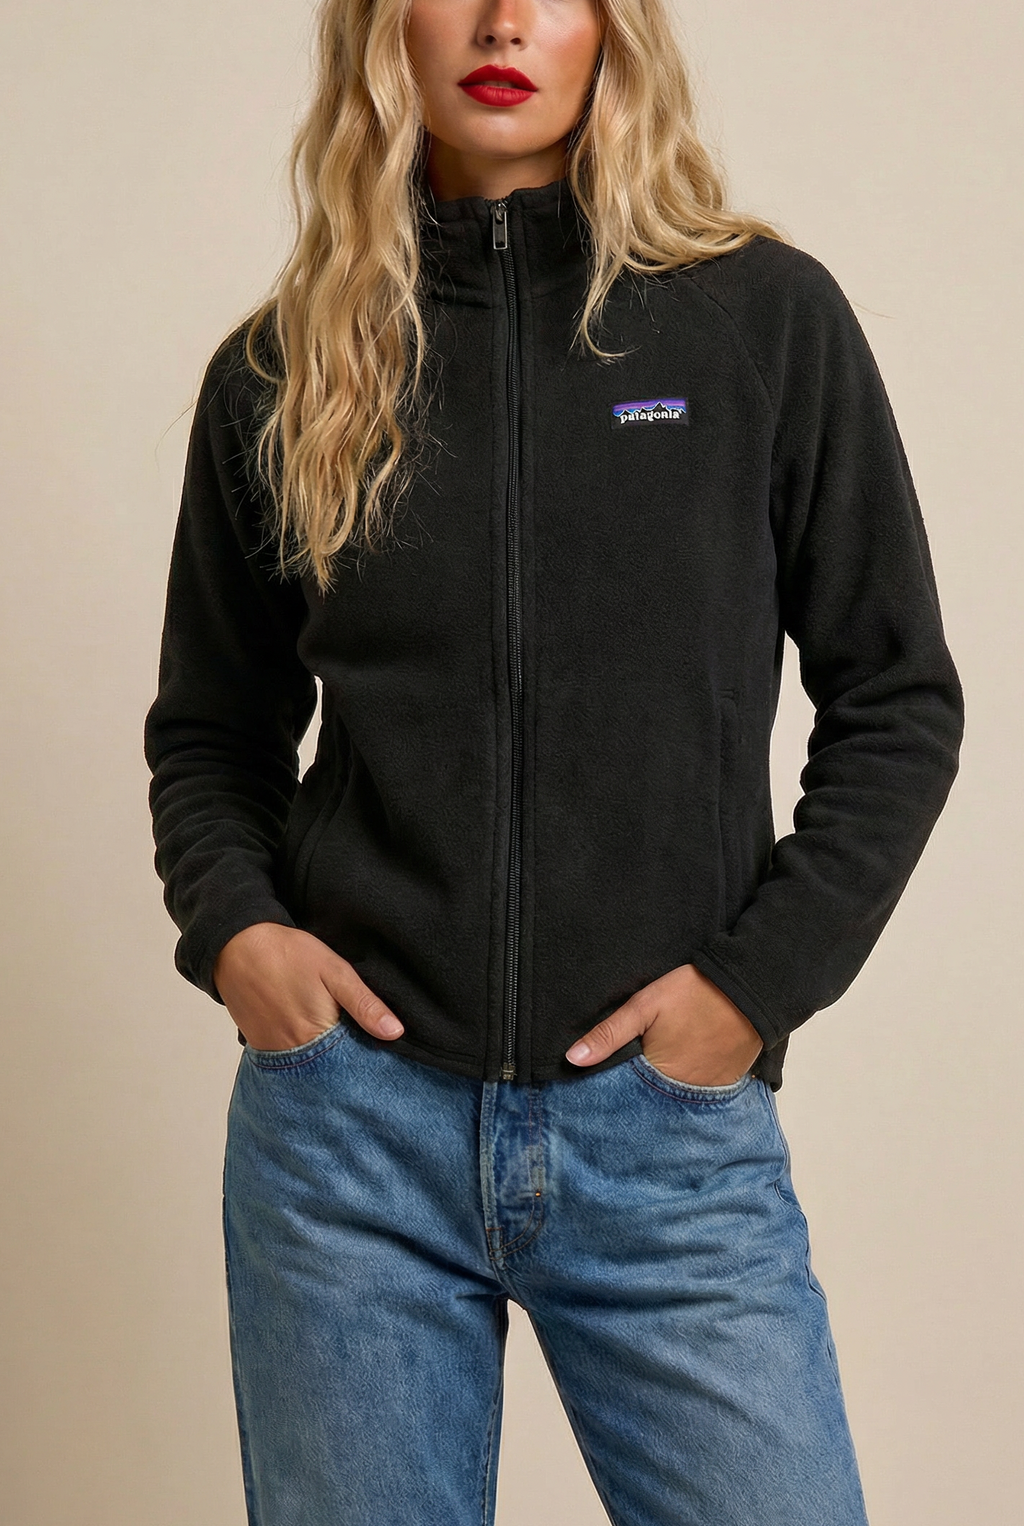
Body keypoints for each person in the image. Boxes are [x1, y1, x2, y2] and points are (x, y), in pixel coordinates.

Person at [143, 1, 964, 1522]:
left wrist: (752, 990)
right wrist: (242, 936)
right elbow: (211, 731)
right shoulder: (283, 368)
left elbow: (899, 699)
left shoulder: (760, 321)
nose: (504, 20)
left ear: (611, 30)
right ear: (381, 28)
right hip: (350, 1147)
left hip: (665, 1142)